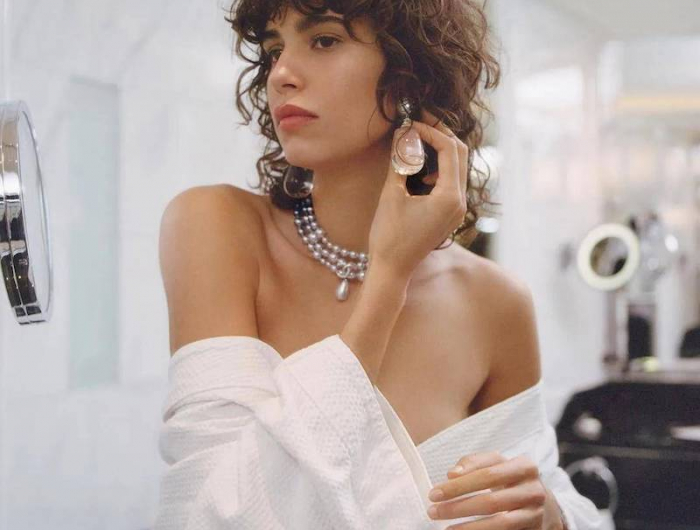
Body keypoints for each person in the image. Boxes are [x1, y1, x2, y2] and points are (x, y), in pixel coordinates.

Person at [154, 1, 602, 528]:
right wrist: (388, 276)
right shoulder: (217, 226)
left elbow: (547, 493)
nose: (281, 74)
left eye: (324, 40)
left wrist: (550, 516)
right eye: (274, 50)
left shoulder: (495, 302)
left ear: (411, 73)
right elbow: (211, 515)